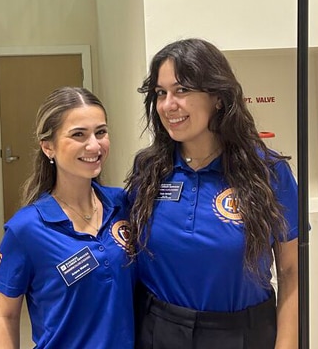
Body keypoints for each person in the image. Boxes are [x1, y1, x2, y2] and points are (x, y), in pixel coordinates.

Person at [126, 38, 299, 349]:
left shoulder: (268, 173)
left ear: (217, 97)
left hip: (242, 333)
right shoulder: (149, 169)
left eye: (182, 90)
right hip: (161, 332)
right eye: (161, 94)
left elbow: (291, 270)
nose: (168, 105)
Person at [0, 87, 135, 349]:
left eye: (100, 132)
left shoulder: (123, 204)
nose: (94, 145)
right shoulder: (26, 230)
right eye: (78, 134)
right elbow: (5, 314)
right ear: (48, 147)